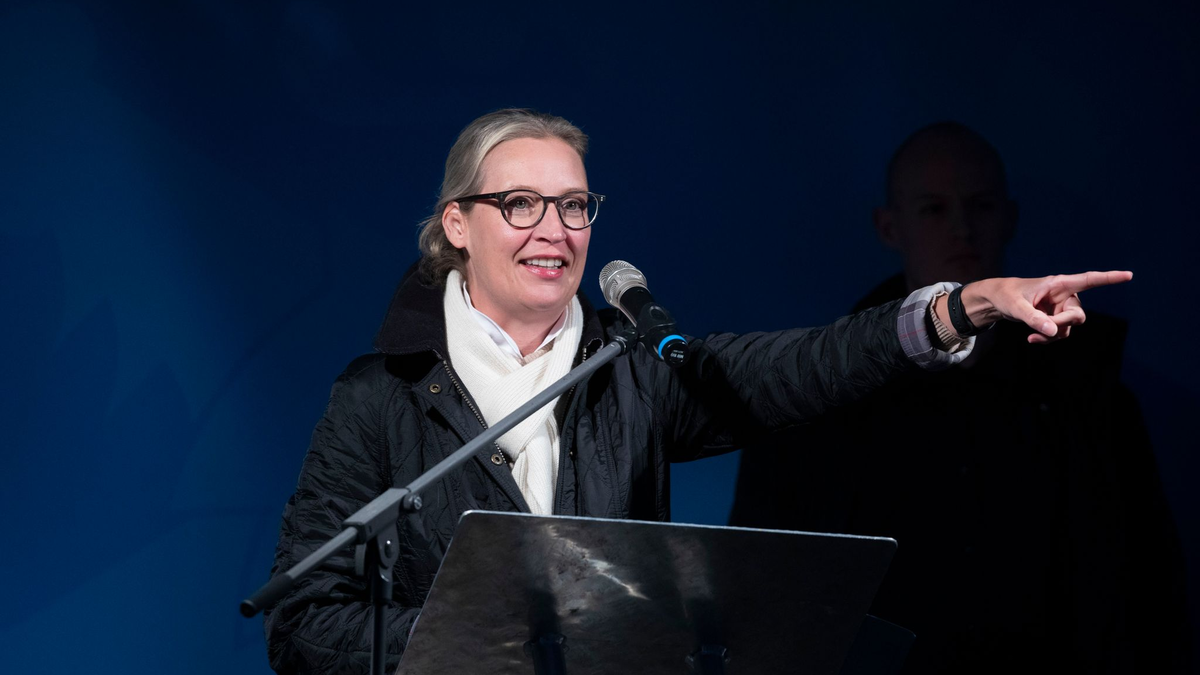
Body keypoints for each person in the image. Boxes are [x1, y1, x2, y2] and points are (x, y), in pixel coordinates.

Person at [263, 109, 1132, 674]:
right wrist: (474, 640)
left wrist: (961, 305)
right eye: (521, 203)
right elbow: (303, 621)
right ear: (459, 224)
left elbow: (808, 363)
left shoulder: (636, 368)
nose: (554, 231)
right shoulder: (378, 397)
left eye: (574, 206)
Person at [731, 122, 1188, 674]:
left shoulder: (1089, 396)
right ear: (889, 226)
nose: (962, 229)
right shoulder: (817, 397)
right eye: (933, 209)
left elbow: (1148, 585)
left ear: (1009, 217)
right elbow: (760, 594)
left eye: (980, 206)